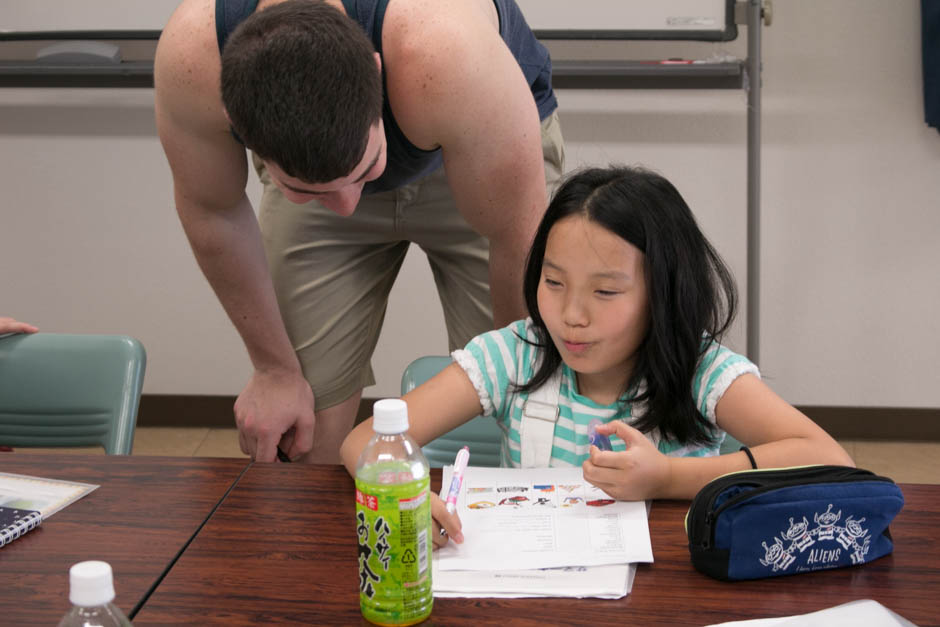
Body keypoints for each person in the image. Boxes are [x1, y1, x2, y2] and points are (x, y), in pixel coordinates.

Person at [339, 165, 854, 547]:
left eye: (605, 293)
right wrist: (403, 494)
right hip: (529, 593)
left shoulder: (702, 372)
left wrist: (668, 479)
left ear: (664, 294)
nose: (571, 315)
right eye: (553, 282)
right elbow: (365, 440)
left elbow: (830, 459)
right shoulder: (515, 355)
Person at [154, 0, 565, 463]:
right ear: (236, 121)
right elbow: (214, 211)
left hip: (476, 149)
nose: (347, 206)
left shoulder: (442, 47)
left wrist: (516, 377)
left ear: (376, 70)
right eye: (305, 188)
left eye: (363, 172)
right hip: (371, 138)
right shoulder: (195, 59)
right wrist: (272, 369)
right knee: (301, 431)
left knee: (524, 407)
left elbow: (515, 233)